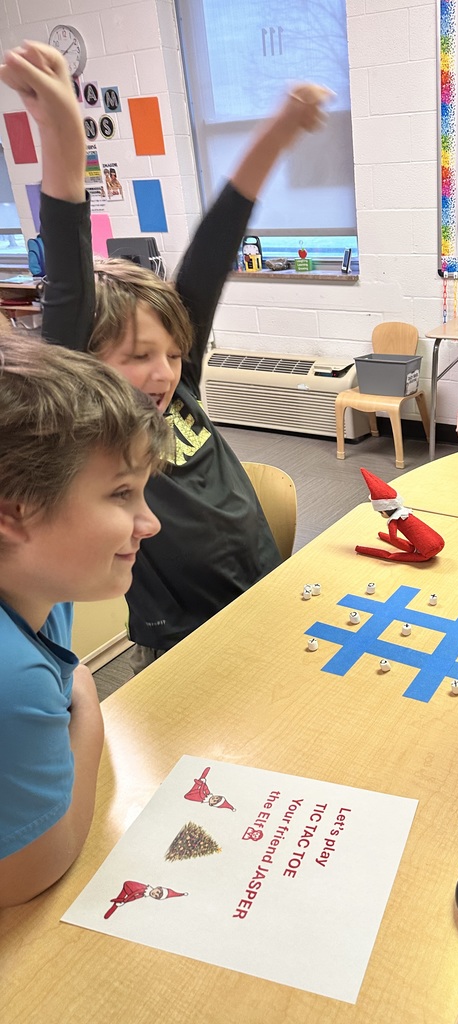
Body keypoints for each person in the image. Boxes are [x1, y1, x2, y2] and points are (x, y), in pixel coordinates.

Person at [0, 42, 330, 670]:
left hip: (267, 595)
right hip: (183, 640)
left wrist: (277, 134)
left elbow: (211, 253)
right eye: (139, 356)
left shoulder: (177, 392)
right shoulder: (89, 426)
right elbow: (68, 278)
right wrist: (63, 133)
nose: (164, 371)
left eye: (174, 354)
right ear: (88, 363)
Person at [0, 333, 168, 907]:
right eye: (121, 493)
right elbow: (33, 869)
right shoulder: (11, 674)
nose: (149, 524)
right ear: (13, 512)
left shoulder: (50, 590)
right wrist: (89, 701)